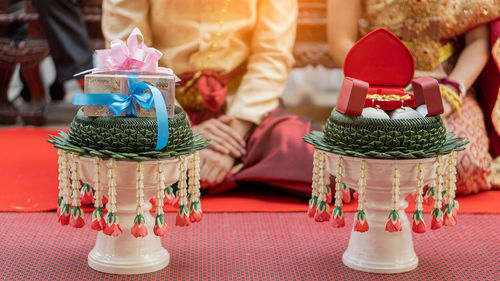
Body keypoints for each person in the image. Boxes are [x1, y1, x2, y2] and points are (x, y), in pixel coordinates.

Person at [101, 0, 317, 195]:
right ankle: (231, 174)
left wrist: (232, 138)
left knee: (313, 158)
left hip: (241, 111)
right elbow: (130, 62)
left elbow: (272, 57)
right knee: (104, 156)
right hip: (158, 110)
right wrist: (185, 134)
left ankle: (184, 171)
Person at [327, 0, 500, 194]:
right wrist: (384, 88)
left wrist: (449, 94)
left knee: (462, 167)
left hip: (448, 81)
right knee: (365, 162)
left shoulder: (449, 88)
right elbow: (340, 40)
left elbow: (478, 40)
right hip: (379, 82)